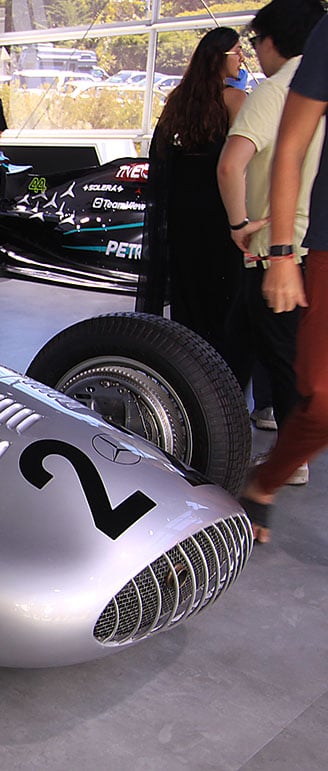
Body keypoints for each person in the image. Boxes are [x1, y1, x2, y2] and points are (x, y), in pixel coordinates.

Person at [216, 0, 325, 491]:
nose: (253, 55)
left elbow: (230, 164)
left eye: (256, 43)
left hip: (275, 249)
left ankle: (283, 462)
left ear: (273, 40)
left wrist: (240, 222)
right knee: (237, 345)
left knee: (285, 359)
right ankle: (210, 430)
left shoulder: (275, 93)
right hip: (303, 246)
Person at [240, 11, 328, 543]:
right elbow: (289, 149)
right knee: (320, 393)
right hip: (321, 245)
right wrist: (280, 256)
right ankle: (263, 484)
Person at [148, 28, 248, 373]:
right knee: (224, 300)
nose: (243, 58)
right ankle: (222, 377)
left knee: (189, 296)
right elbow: (237, 163)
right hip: (219, 213)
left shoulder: (178, 100)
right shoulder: (236, 100)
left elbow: (159, 156)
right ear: (219, 57)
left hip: (182, 213)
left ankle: (187, 372)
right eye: (237, 51)